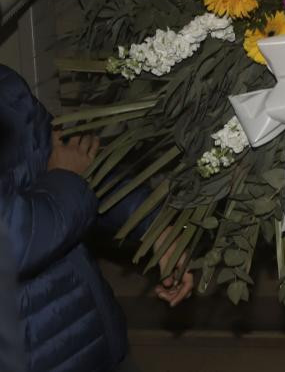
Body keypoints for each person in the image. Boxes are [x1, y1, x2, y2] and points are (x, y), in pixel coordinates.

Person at [0, 65, 195, 372]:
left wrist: (153, 226)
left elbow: (77, 162)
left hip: (91, 332)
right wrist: (66, 178)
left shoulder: (5, 84)